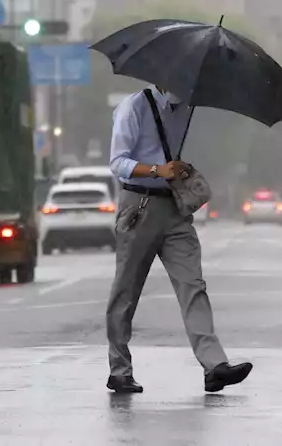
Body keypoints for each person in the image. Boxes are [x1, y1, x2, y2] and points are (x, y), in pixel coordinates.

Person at [105, 85, 252, 394]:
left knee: (193, 285)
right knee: (126, 291)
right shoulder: (134, 107)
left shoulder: (184, 108)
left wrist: (177, 168)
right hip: (139, 206)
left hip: (174, 208)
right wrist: (158, 169)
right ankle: (119, 370)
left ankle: (214, 366)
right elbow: (118, 162)